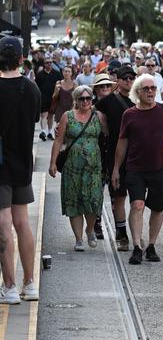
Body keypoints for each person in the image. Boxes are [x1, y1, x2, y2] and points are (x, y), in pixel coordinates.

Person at [112, 74, 163, 265]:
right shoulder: (129, 114)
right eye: (146, 89)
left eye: (153, 88)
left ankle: (151, 245)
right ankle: (137, 246)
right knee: (137, 205)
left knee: (157, 208)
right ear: (138, 92)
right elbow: (122, 142)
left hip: (159, 168)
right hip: (135, 168)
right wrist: (116, 169)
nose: (151, 91)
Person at [0, 37, 40, 303]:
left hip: (0, 166)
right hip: (23, 162)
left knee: (3, 223)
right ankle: (30, 283)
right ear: (22, 59)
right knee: (22, 222)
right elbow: (36, 120)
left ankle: (10, 287)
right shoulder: (32, 89)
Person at [49, 86, 108, 251]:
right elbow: (59, 140)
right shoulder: (67, 117)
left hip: (93, 167)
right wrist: (53, 163)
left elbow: (110, 135)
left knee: (92, 200)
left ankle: (90, 230)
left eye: (88, 98)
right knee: (73, 201)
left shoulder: (99, 117)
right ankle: (78, 238)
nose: (86, 101)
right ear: (76, 100)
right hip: (72, 167)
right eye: (82, 98)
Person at [95, 66, 135, 251]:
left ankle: (135, 234)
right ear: (117, 80)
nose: (129, 81)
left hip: (137, 155)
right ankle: (122, 235)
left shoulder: (139, 99)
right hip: (114, 155)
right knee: (119, 197)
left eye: (132, 77)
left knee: (137, 199)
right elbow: (88, 115)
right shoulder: (107, 102)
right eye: (125, 78)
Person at [35, 55, 63, 140]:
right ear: (44, 64)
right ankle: (43, 131)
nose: (49, 64)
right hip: (43, 97)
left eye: (51, 62)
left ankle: (50, 132)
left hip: (53, 98)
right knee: (44, 115)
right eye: (47, 63)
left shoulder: (57, 73)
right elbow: (36, 86)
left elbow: (60, 84)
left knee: (50, 115)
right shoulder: (40, 74)